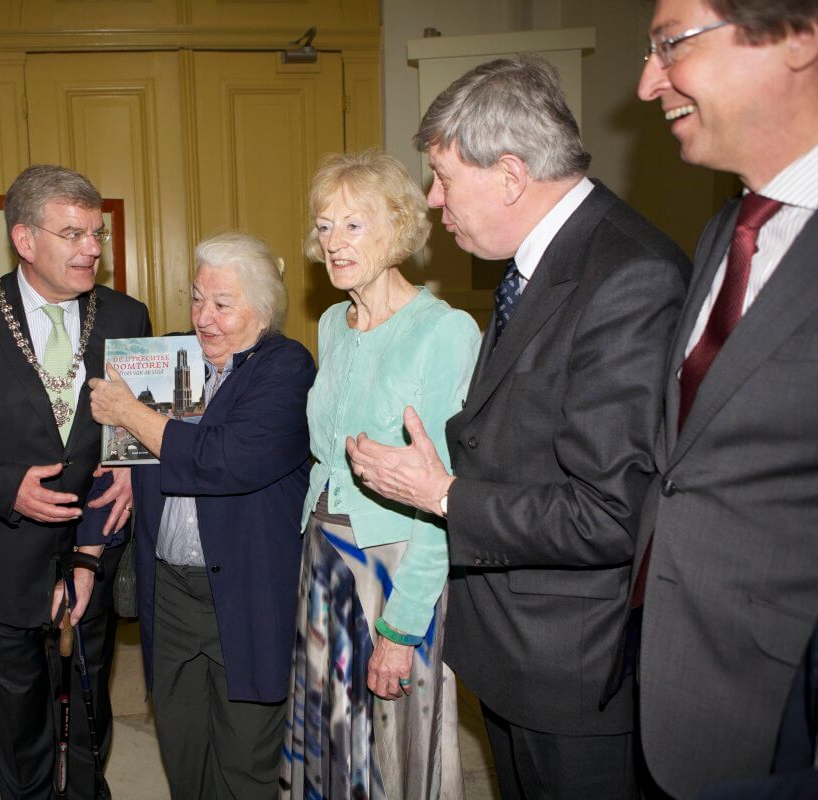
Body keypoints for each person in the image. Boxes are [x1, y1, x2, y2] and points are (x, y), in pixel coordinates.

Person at [346, 56, 690, 800]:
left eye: (443, 179)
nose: (435, 203)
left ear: (508, 174)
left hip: (573, 670)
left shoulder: (629, 275)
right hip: (516, 651)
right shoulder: (536, 263)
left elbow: (610, 514)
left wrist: (442, 495)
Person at [0, 164, 151, 799]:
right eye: (72, 234)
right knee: (21, 716)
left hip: (95, 545)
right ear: (24, 240)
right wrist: (4, 485)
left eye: (96, 233)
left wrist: (130, 466)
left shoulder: (127, 314)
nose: (92, 248)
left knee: (90, 707)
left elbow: (146, 421)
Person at [625, 1, 818, 796]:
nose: (644, 84)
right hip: (671, 681)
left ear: (799, 36)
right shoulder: (724, 233)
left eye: (670, 44)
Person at [278, 149, 479, 800]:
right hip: (325, 558)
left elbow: (448, 496)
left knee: (392, 755)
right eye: (325, 225)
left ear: (399, 227)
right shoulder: (333, 323)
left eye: (353, 225)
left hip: (394, 568)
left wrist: (402, 625)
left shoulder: (444, 331)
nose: (333, 242)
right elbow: (328, 456)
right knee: (330, 741)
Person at [88, 232, 314, 799]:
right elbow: (125, 457)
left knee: (245, 765)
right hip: (169, 593)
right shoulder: (169, 358)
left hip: (245, 595)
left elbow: (224, 462)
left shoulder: (284, 368)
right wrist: (121, 470)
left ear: (262, 309)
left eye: (222, 304)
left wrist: (130, 415)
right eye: (196, 299)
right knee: (184, 753)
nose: (203, 318)